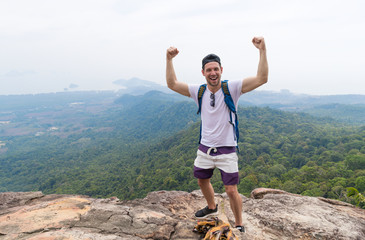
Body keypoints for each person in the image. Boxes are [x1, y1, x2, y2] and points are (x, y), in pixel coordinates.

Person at [165, 37, 268, 232]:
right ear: (203, 73)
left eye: (216, 69)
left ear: (221, 70)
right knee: (202, 180)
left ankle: (239, 224)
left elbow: (262, 78)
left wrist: (262, 50)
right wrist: (169, 59)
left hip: (227, 149)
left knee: (231, 190)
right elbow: (172, 84)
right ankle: (211, 207)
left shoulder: (233, 88)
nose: (213, 73)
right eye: (209, 70)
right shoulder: (199, 91)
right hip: (205, 148)